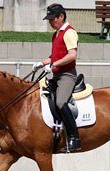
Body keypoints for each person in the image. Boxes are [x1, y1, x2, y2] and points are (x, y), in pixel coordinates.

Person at [33, 3, 81, 152]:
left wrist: (53, 65)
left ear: (61, 16)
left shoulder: (69, 32)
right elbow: (54, 56)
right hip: (57, 74)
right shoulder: (56, 34)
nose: (50, 22)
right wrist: (41, 63)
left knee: (60, 102)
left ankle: (74, 138)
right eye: (49, 19)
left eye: (53, 19)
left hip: (67, 76)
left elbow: (72, 55)